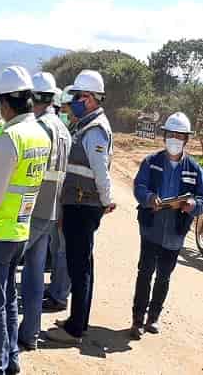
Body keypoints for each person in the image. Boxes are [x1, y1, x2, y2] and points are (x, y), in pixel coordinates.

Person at [0, 66, 51, 375]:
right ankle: (11, 360)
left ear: (6, 104)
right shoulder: (39, 135)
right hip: (20, 229)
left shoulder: (10, 139)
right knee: (9, 299)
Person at [46, 70, 116, 345]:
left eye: (76, 96)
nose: (72, 101)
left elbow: (101, 171)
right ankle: (78, 321)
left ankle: (75, 329)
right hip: (77, 203)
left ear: (89, 99)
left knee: (80, 267)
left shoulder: (95, 130)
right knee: (82, 265)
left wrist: (107, 199)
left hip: (84, 205)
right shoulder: (86, 125)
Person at [129, 112, 203, 339]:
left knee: (164, 276)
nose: (174, 139)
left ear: (186, 140)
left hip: (176, 230)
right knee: (145, 272)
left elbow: (201, 199)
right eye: (171, 134)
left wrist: (192, 204)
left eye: (179, 136)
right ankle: (137, 320)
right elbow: (139, 186)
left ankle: (153, 318)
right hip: (151, 225)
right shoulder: (151, 162)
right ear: (164, 136)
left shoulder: (194, 169)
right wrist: (149, 198)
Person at [17, 72, 72, 351]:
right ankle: (29, 334)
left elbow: (32, 172)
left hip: (34, 208)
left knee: (7, 267)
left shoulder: (40, 127)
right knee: (34, 274)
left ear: (34, 97)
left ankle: (3, 332)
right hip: (52, 209)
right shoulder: (63, 128)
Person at [44, 85, 74, 312]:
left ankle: (60, 294)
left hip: (67, 197)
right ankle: (55, 287)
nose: (64, 111)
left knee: (63, 248)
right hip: (57, 197)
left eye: (66, 107)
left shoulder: (75, 131)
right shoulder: (68, 128)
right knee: (55, 246)